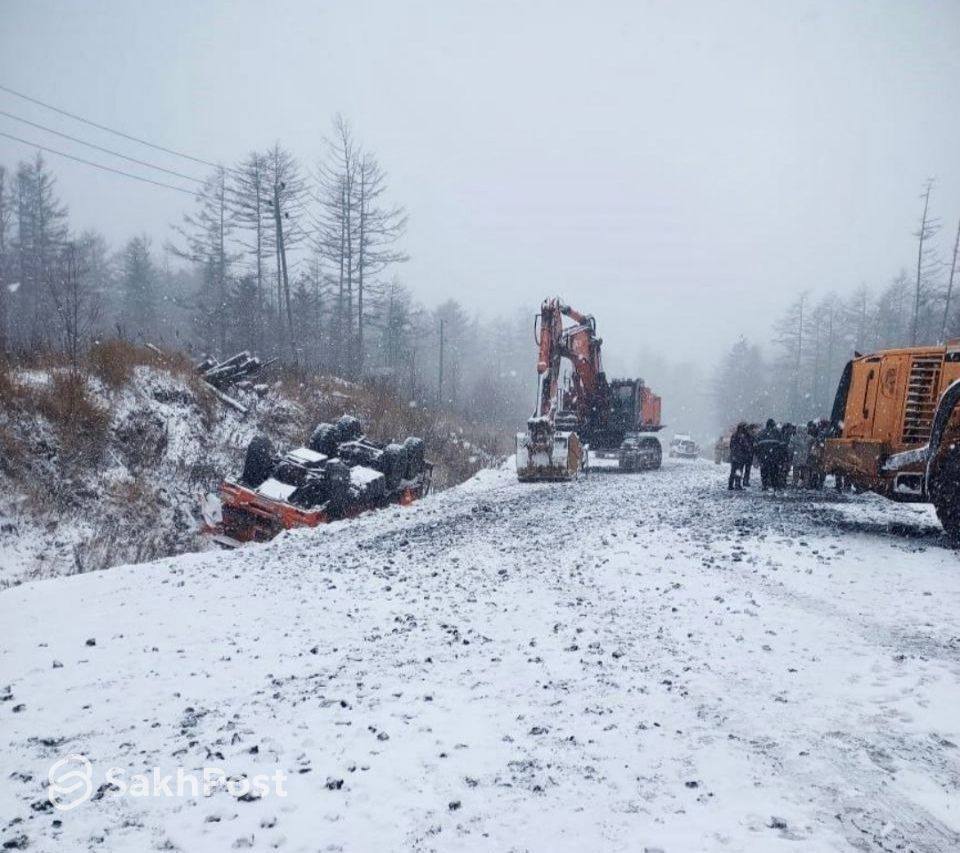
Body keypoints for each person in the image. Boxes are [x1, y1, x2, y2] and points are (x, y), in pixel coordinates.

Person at [754, 418, 782, 491]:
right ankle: (774, 485)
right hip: (774, 457)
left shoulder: (761, 433)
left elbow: (756, 446)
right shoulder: (777, 433)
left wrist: (758, 456)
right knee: (774, 471)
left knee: (764, 471)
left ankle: (764, 485)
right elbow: (780, 446)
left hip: (764, 457)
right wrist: (779, 456)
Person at [728, 422, 753, 490]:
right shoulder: (742, 436)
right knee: (739, 470)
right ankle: (737, 484)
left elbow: (731, 446)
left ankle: (730, 485)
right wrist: (748, 451)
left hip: (734, 456)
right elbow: (746, 446)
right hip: (740, 456)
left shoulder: (734, 435)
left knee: (733, 470)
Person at [789, 423, 813, 487]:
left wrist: (792, 454)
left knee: (796, 472)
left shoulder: (794, 438)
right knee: (806, 472)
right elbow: (813, 448)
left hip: (797, 458)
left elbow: (790, 448)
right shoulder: (810, 438)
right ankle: (806, 484)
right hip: (806, 458)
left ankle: (795, 483)